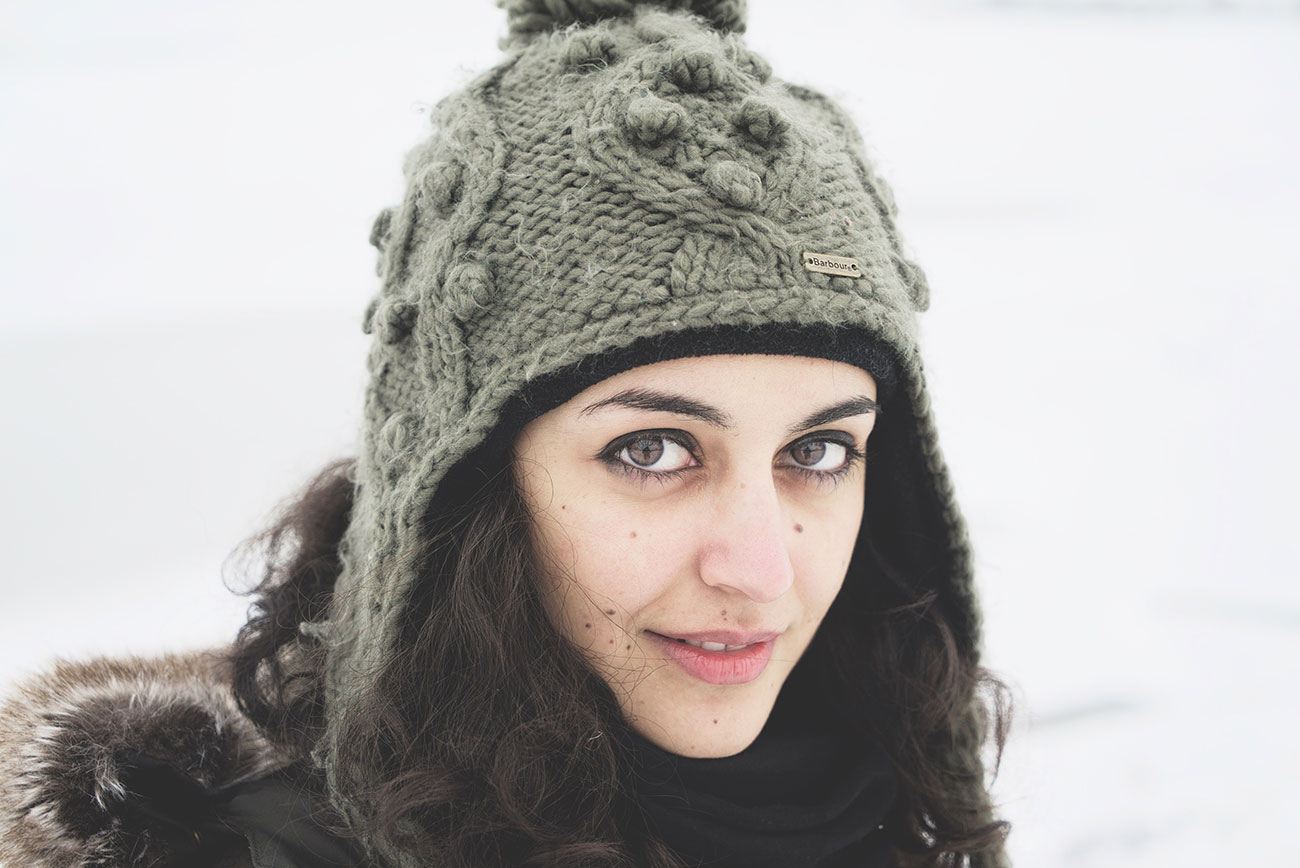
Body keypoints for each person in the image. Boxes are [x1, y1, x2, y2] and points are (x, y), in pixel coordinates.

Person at [0, 1, 1013, 866]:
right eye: (652, 450)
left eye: (817, 452)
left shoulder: (883, 802)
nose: (759, 571)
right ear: (468, 479)